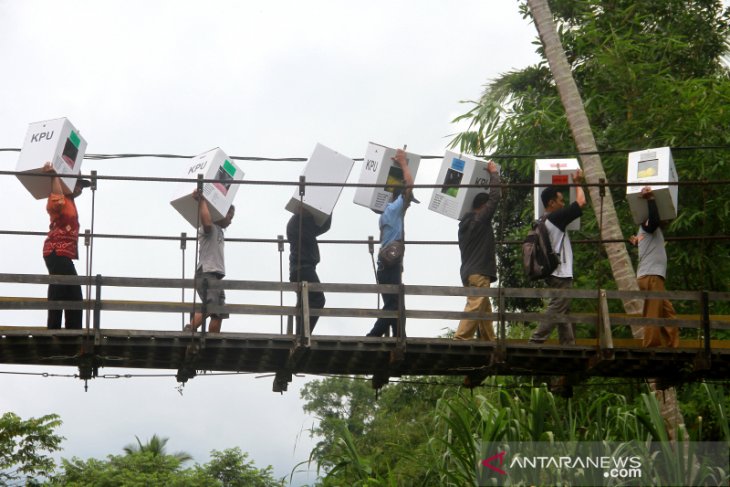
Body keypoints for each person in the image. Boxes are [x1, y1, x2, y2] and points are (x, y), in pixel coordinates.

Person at [529, 169, 586, 345]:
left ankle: (568, 344)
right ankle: (536, 339)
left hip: (553, 271)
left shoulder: (543, 220)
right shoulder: (556, 218)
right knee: (557, 307)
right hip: (561, 272)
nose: (563, 204)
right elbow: (581, 202)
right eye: (561, 201)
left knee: (563, 308)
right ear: (551, 203)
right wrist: (577, 182)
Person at [366, 148, 416, 338]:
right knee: (394, 305)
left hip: (385, 264)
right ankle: (374, 335)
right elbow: (410, 185)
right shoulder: (396, 208)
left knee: (396, 303)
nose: (409, 205)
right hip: (391, 264)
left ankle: (398, 337)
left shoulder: (386, 211)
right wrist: (403, 163)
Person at [454, 161, 501, 341]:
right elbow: (495, 197)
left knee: (483, 305)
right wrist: (493, 173)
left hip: (467, 272)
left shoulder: (464, 226)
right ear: (482, 207)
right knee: (476, 304)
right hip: (479, 271)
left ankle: (490, 340)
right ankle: (460, 339)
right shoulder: (481, 220)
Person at [42, 162, 90, 329]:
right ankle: (55, 328)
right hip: (56, 250)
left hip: (63, 253)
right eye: (78, 184)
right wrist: (55, 176)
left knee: (72, 292)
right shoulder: (61, 198)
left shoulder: (71, 201)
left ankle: (72, 330)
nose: (80, 189)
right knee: (61, 288)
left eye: (82, 187)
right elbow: (57, 201)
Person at [629, 186, 679, 348]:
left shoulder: (647, 232)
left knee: (667, 311)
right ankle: (650, 345)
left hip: (652, 276)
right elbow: (654, 220)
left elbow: (657, 223)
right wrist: (651, 200)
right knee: (653, 311)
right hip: (651, 276)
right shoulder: (647, 225)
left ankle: (673, 344)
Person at [186, 191, 235, 333]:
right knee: (211, 305)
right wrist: (202, 200)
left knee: (219, 311)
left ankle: (213, 338)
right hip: (206, 272)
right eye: (229, 216)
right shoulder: (210, 227)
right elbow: (206, 222)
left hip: (216, 276)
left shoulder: (219, 230)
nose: (231, 220)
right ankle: (190, 329)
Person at [287, 209, 331, 334]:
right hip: (302, 268)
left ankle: (301, 334)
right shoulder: (297, 223)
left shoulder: (301, 223)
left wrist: (329, 211)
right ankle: (303, 334)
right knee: (318, 299)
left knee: (304, 303)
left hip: (302, 268)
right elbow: (315, 230)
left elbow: (322, 228)